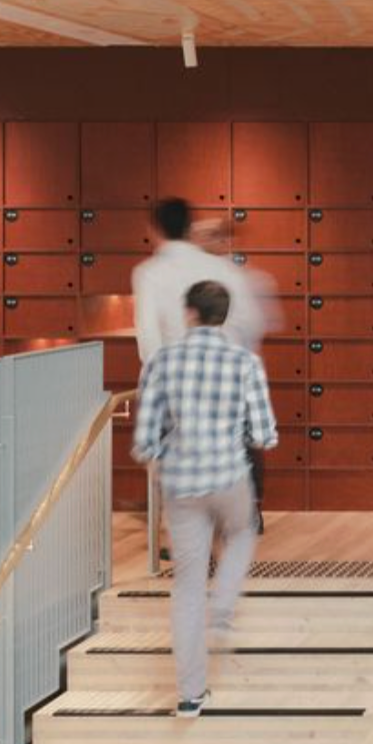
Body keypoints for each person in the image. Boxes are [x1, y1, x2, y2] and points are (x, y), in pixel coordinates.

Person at [129, 280, 278, 716]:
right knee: (243, 532)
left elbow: (145, 439)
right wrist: (243, 433)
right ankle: (224, 606)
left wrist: (162, 451)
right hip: (229, 475)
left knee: (187, 587)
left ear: (190, 312)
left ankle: (190, 696)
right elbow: (264, 434)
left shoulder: (161, 361)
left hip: (181, 485)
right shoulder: (244, 362)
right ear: (223, 316)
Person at [132, 197, 279, 534]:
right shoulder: (225, 269)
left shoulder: (149, 273)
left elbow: (149, 338)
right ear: (189, 227)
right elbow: (251, 323)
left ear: (154, 230)